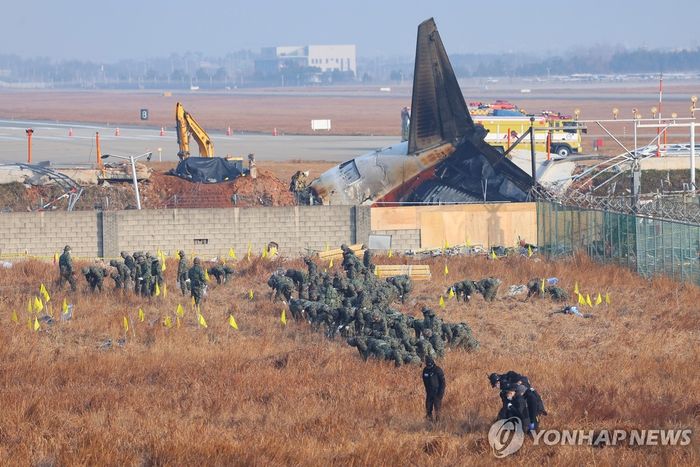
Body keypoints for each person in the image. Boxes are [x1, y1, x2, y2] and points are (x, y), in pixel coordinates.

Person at [422, 356, 446, 422]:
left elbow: (443, 383)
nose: (428, 367)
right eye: (427, 365)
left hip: (437, 393)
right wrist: (427, 390)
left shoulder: (438, 370)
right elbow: (424, 380)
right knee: (428, 408)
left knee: (437, 409)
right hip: (429, 393)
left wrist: (440, 394)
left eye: (429, 365)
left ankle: (438, 424)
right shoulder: (425, 370)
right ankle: (430, 424)